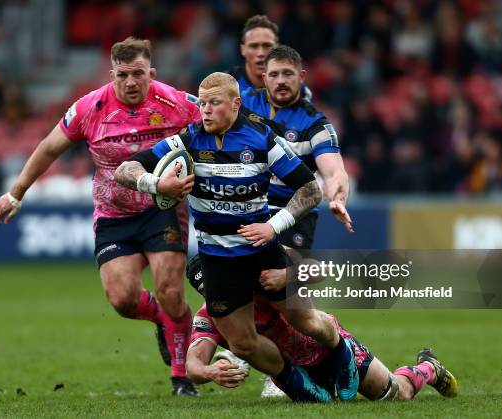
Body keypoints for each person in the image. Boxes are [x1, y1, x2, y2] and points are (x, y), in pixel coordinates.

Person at [114, 71, 358, 402]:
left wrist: (274, 226)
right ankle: (302, 389)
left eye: (215, 103)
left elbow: (311, 190)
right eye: (202, 103)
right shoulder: (188, 140)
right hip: (218, 262)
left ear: (235, 104)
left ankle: (344, 356)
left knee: (306, 320)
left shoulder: (262, 138)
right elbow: (124, 170)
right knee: (244, 344)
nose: (206, 110)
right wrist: (157, 185)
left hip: (263, 253)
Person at [0, 37, 201, 396]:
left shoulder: (177, 102)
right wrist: (16, 192)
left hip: (161, 210)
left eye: (138, 74)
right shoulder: (90, 107)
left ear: (152, 72)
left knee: (169, 290)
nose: (131, 82)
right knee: (122, 299)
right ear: (112, 74)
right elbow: (49, 147)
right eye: (123, 75)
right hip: (114, 213)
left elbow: (221, 126)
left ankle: (181, 377)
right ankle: (164, 322)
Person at [234, 44, 353, 397]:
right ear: (263, 78)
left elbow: (334, 169)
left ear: (301, 77)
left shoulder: (314, 123)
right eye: (274, 75)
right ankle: (242, 343)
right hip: (249, 210)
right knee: (226, 276)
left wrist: (338, 197)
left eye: (288, 74)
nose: (281, 81)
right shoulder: (246, 105)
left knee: (278, 286)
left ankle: (330, 348)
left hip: (294, 215)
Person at [184, 255, 459, 401]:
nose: (217, 297)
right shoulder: (210, 316)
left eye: (216, 287)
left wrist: (288, 275)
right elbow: (192, 365)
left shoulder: (261, 278)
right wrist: (209, 372)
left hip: (327, 345)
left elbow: (320, 269)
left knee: (397, 395)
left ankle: (428, 368)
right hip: (295, 372)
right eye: (206, 293)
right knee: (325, 405)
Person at [228, 15, 312, 100]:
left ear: (277, 48)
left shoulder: (297, 90)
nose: (260, 53)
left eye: (267, 45)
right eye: (254, 46)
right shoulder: (225, 86)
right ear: (243, 50)